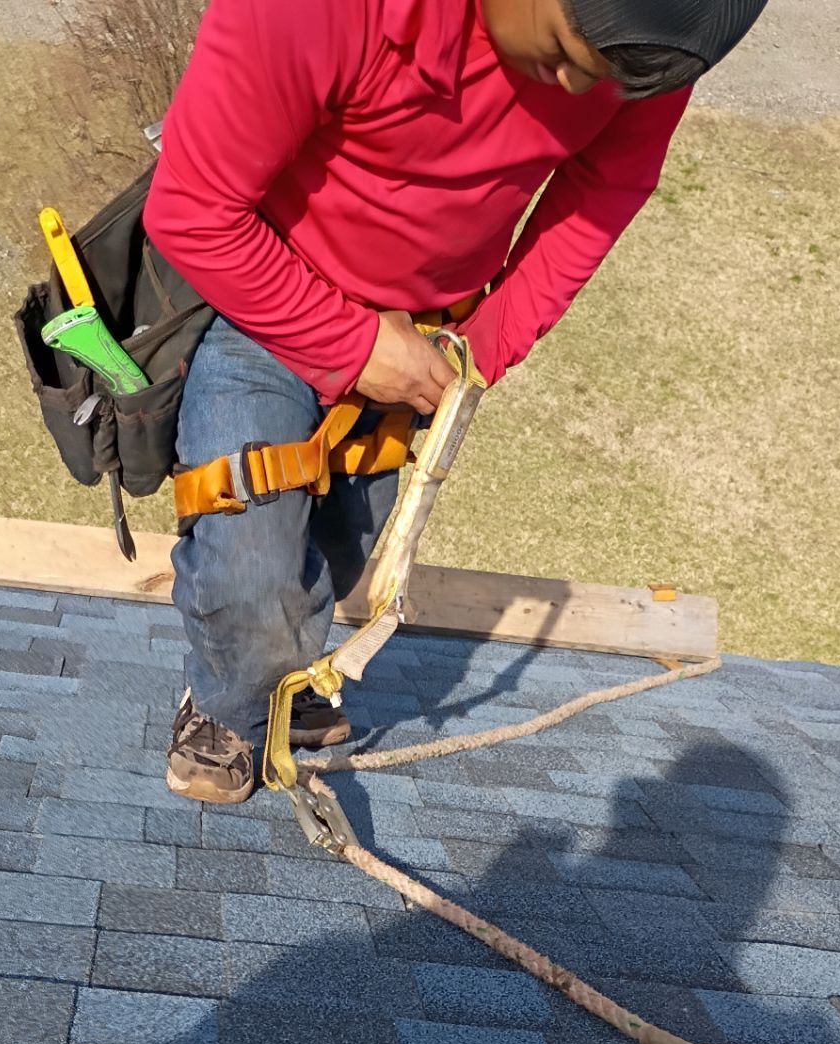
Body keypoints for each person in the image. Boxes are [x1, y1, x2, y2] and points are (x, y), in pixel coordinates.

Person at [145, 0, 769, 803]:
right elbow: (191, 212)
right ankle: (229, 708)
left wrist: (473, 353)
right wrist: (356, 347)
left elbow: (599, 197)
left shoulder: (655, 36)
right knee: (253, 567)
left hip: (421, 341)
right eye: (559, 55)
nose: (581, 86)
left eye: (604, 80)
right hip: (266, 302)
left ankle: (277, 679)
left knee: (332, 558)